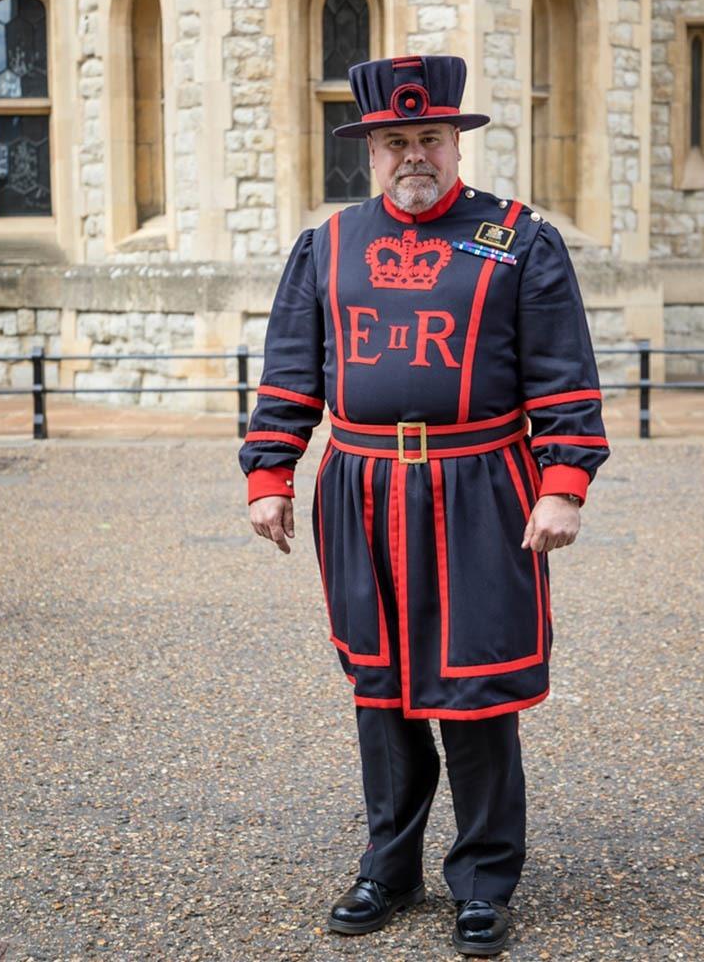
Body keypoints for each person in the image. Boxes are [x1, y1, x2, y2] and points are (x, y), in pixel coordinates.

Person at [239, 54, 609, 957]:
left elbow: (564, 379)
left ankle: (483, 881)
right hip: (361, 490)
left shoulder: (521, 240)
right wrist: (269, 474)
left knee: (475, 692)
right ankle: (388, 868)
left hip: (483, 488)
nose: (415, 155)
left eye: (430, 138)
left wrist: (563, 484)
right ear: (371, 148)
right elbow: (292, 372)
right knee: (383, 690)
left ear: (455, 143)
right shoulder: (327, 246)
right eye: (396, 140)